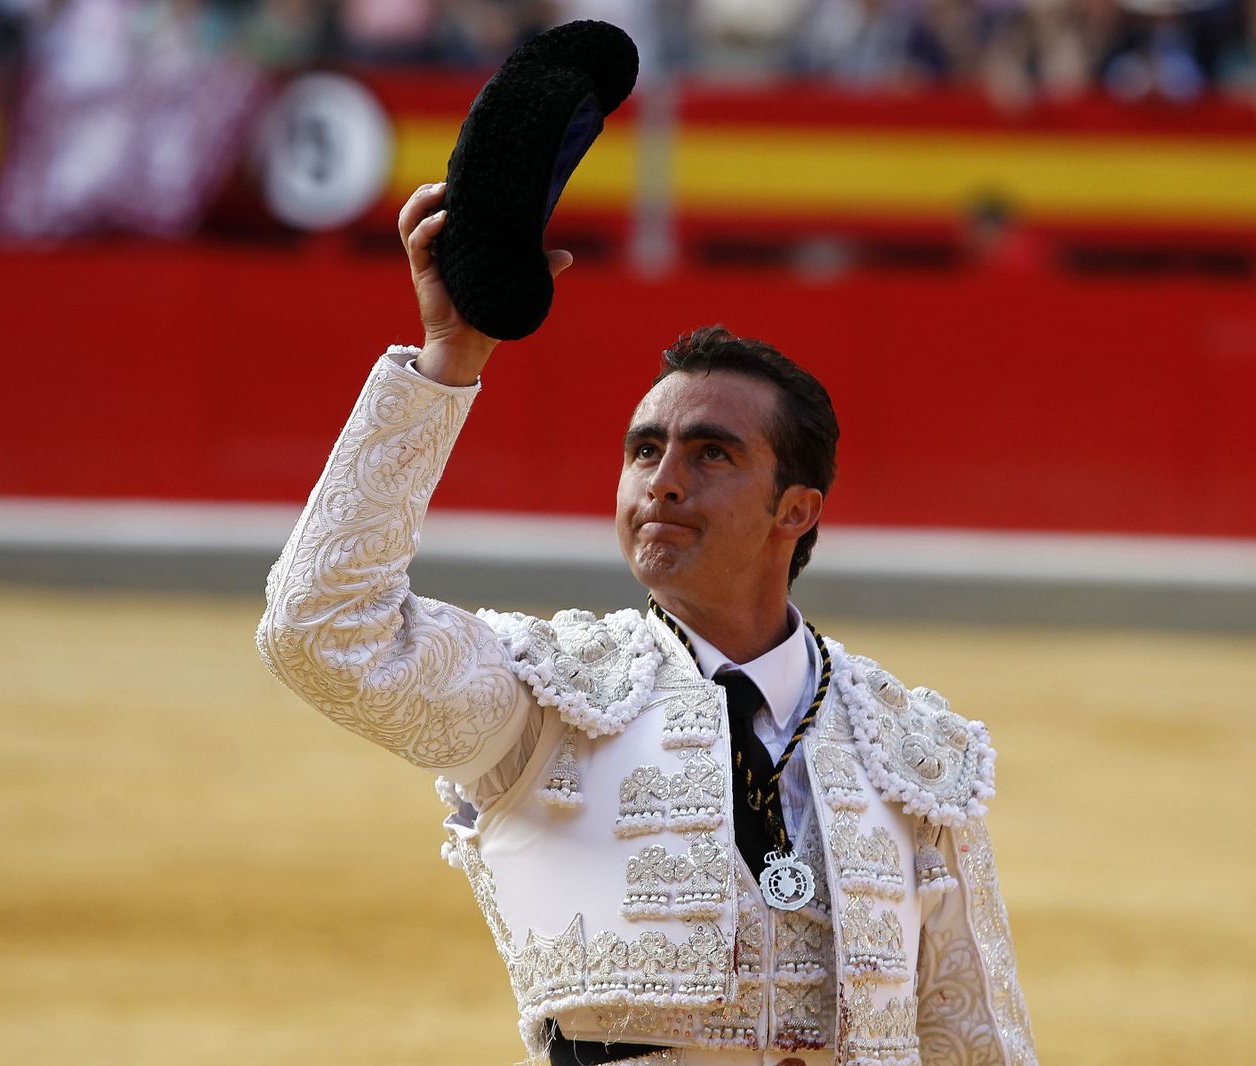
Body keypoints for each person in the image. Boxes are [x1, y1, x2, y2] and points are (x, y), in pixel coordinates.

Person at [257, 181, 1037, 1066]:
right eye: (643, 450)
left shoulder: (911, 752)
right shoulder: (547, 702)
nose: (662, 480)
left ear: (796, 511)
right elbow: (319, 629)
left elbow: (973, 1040)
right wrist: (446, 364)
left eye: (711, 453)